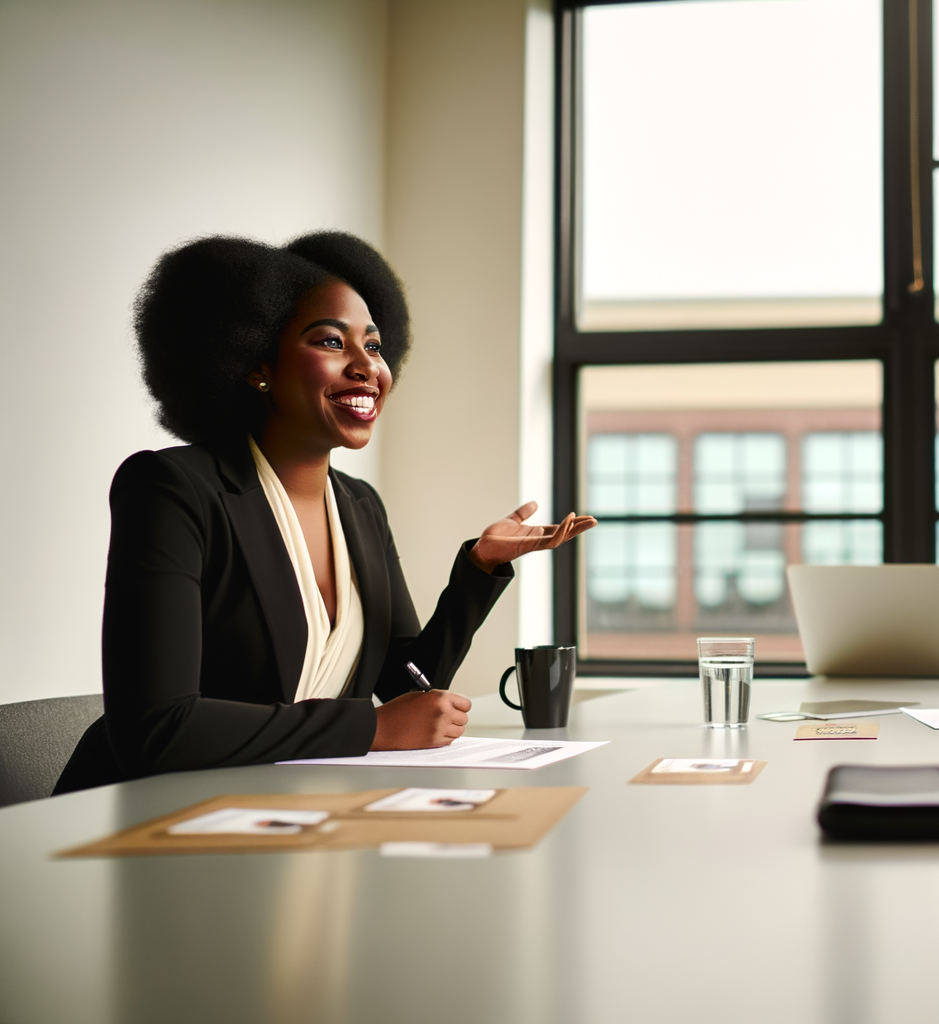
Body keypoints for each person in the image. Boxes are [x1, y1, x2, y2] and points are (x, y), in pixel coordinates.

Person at [56, 233, 595, 791]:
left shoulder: (360, 506)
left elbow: (409, 685)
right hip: (136, 813)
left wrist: (480, 568)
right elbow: (157, 728)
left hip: (280, 808)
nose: (368, 367)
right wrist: (371, 727)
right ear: (254, 361)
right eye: (333, 342)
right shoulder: (173, 489)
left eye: (376, 345)